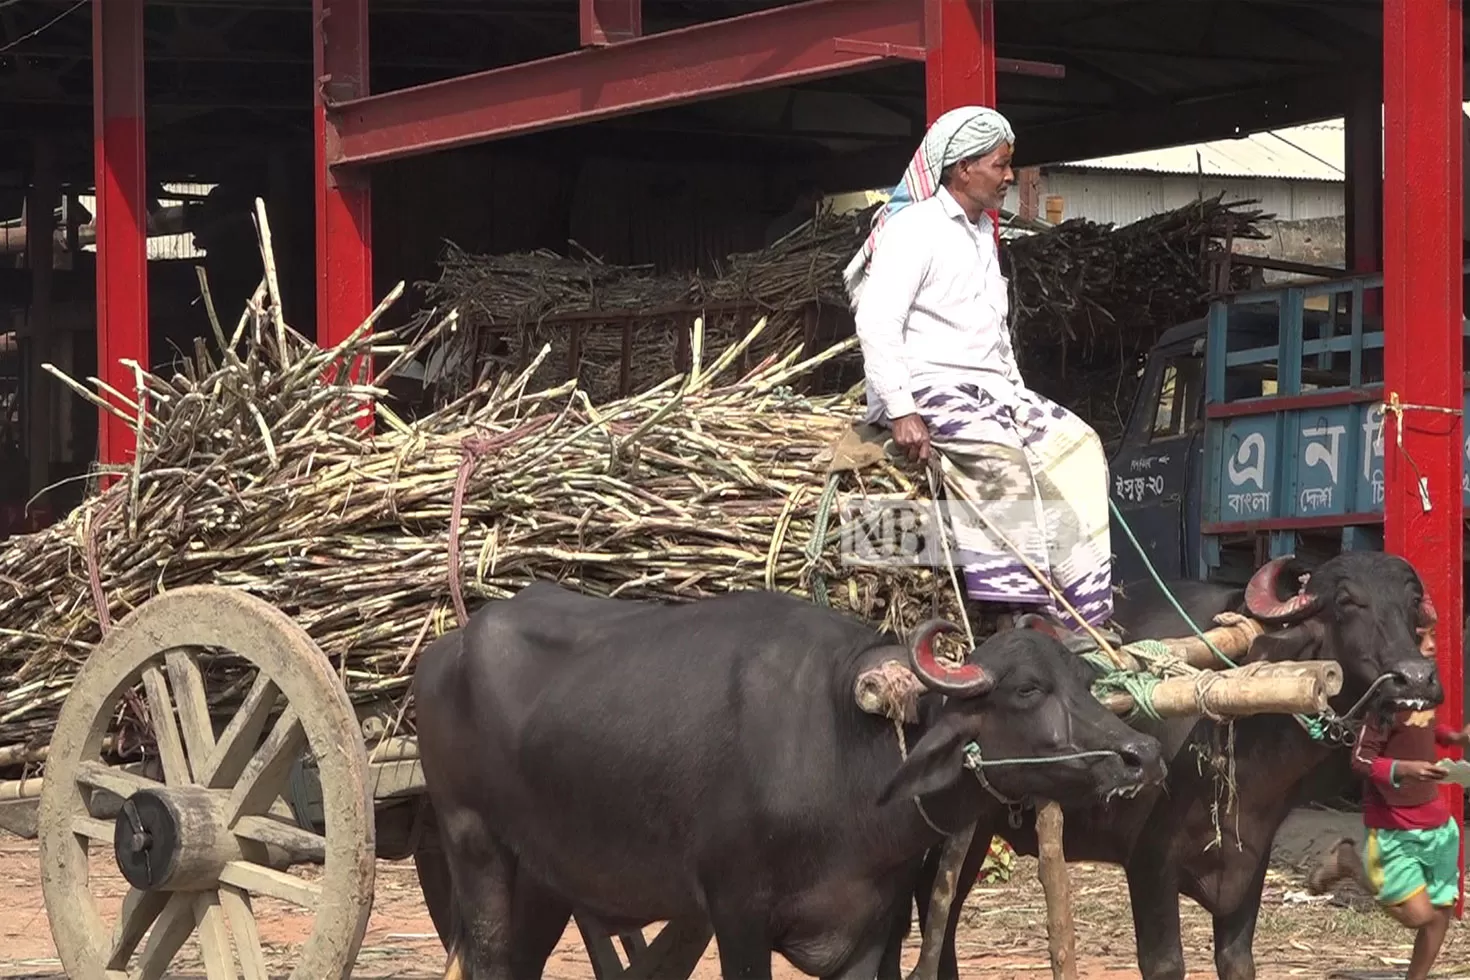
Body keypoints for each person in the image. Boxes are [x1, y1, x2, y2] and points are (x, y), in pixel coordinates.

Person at [842, 105, 1115, 636]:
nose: (1010, 176)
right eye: (1001, 164)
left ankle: (1083, 613)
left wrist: (1016, 394)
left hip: (991, 388)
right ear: (963, 169)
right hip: (929, 385)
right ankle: (1014, 615)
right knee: (1002, 456)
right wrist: (901, 411)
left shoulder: (981, 236)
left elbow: (994, 330)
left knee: (1080, 447)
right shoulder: (914, 228)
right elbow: (876, 321)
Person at [1308, 625, 1470, 980]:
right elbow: (1361, 761)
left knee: (1441, 911)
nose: (1430, 646)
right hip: (1395, 826)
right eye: (1420, 638)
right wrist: (1405, 769)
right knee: (1417, 915)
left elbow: (1425, 728)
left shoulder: (1422, 695)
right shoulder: (1381, 706)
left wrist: (1455, 737)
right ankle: (1350, 862)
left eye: (1433, 636)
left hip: (1438, 826)